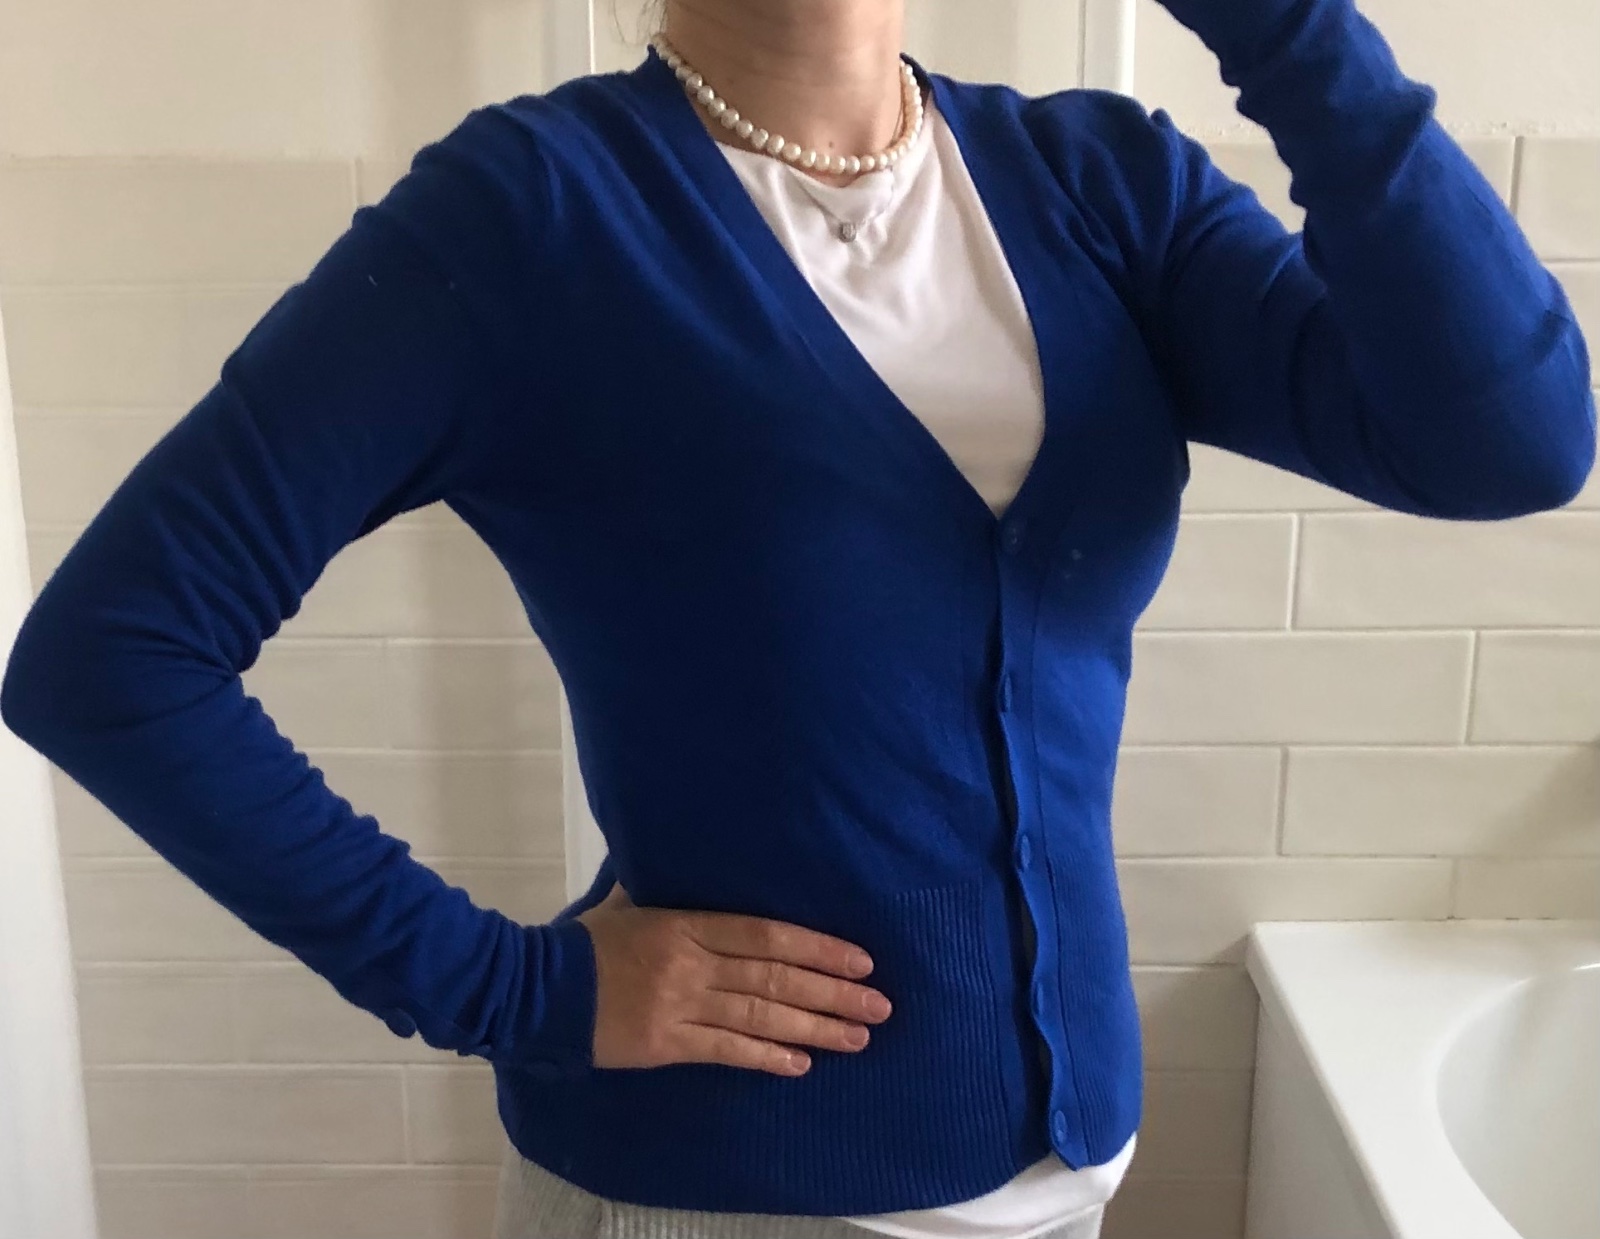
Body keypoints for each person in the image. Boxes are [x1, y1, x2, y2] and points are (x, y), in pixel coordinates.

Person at [2, 0, 1593, 1235]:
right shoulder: (526, 217)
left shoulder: (1099, 183)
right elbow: (112, 654)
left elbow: (1512, 443)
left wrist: (1286, 27)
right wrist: (515, 992)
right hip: (718, 1196)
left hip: (1067, 1177)